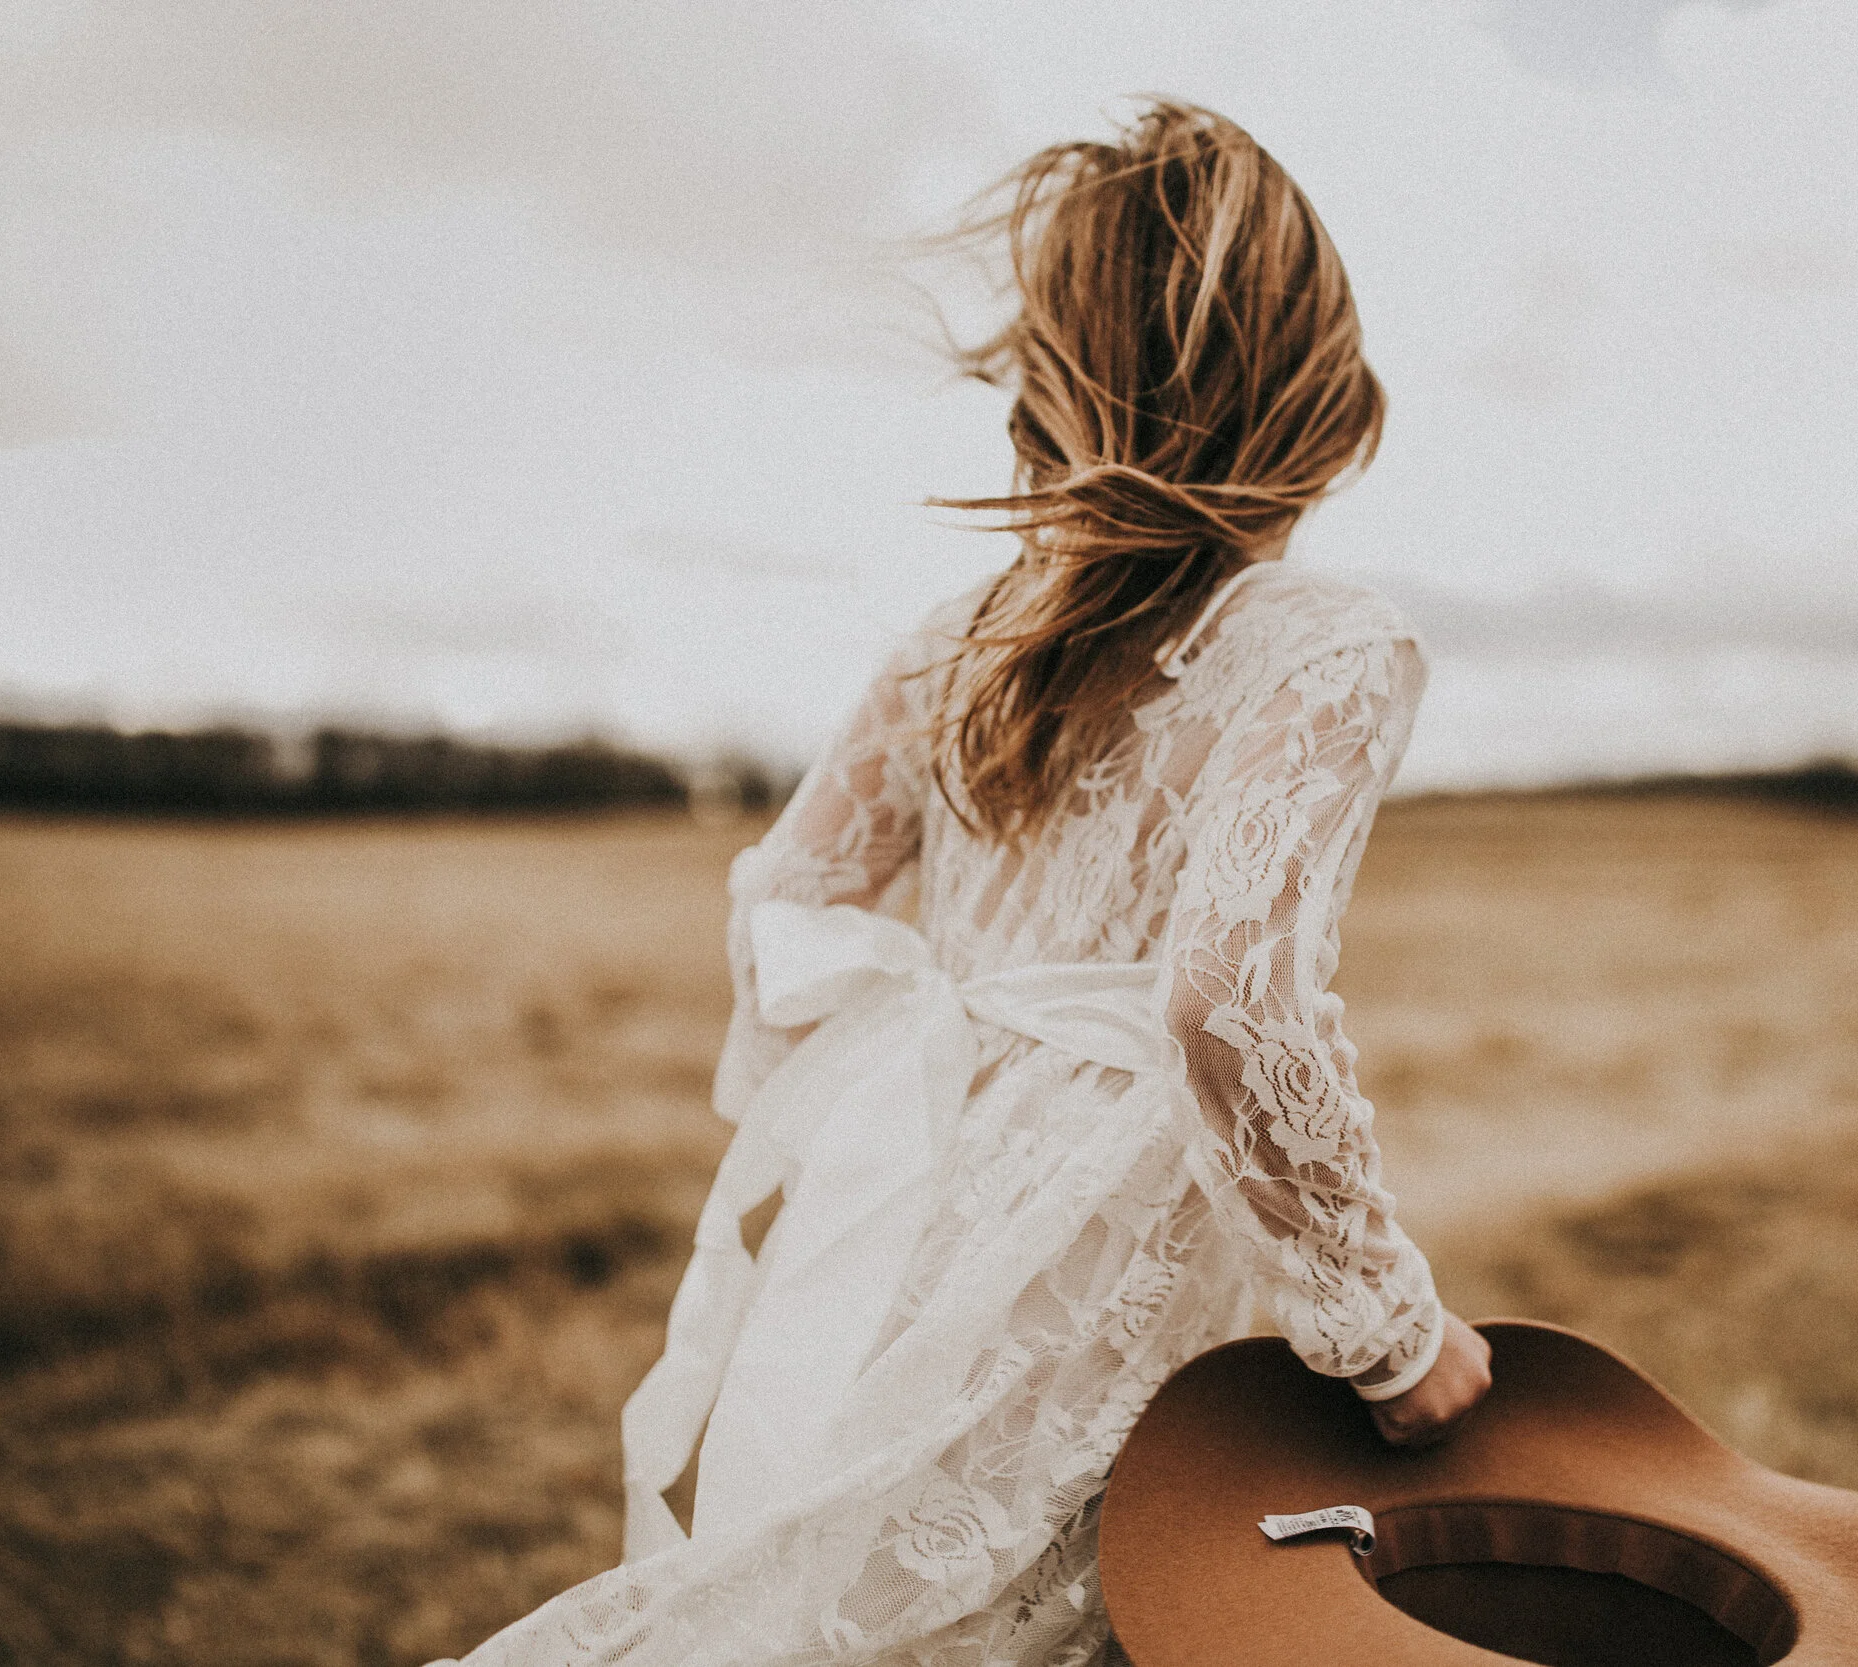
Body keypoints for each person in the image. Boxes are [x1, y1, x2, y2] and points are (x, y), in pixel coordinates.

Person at [450, 99, 1490, 1667]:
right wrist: (1389, 1331)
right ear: (1300, 395)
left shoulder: (958, 638)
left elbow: (783, 895)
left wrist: (888, 1094)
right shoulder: (1328, 643)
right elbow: (1227, 996)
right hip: (1092, 1242)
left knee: (828, 1597)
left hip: (905, 1194)